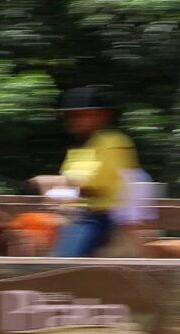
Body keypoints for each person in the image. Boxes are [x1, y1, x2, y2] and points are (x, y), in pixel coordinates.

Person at [32, 86, 139, 257]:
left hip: (95, 217)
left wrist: (53, 182)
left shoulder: (113, 142)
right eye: (70, 116)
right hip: (68, 215)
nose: (73, 120)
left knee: (64, 261)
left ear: (101, 116)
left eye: (80, 115)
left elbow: (97, 185)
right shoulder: (78, 148)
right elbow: (69, 185)